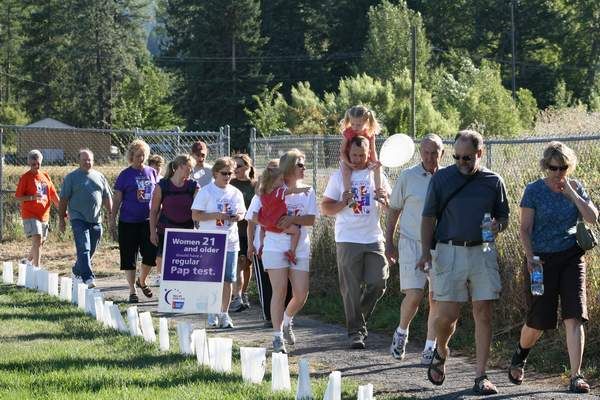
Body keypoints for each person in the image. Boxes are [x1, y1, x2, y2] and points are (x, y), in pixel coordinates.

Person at [417, 130, 509, 395]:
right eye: (456, 156)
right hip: (449, 251)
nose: (461, 162)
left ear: (479, 153)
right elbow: (428, 218)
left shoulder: (493, 181)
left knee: (484, 312)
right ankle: (442, 350)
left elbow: (504, 217)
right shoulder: (442, 179)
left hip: (483, 252)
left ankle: (481, 375)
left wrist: (497, 225)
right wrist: (425, 253)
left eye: (467, 158)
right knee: (447, 316)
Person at [508, 141, 598, 394]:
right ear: (545, 166)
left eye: (563, 167)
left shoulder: (576, 186)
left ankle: (576, 375)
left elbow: (593, 217)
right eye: (553, 167)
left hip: (572, 257)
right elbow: (525, 229)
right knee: (538, 320)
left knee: (575, 315)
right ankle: (520, 354)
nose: (558, 172)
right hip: (541, 260)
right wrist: (530, 257)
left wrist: (571, 193)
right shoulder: (534, 190)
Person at [321, 136, 391, 349]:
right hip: (348, 238)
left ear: (369, 152)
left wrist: (385, 199)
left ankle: (356, 319)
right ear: (348, 153)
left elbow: (391, 206)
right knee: (350, 288)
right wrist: (343, 200)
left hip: (373, 238)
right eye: (354, 155)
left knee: (379, 282)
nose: (359, 159)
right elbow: (325, 208)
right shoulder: (339, 176)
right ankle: (356, 332)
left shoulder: (377, 174)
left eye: (362, 155)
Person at [385, 134, 444, 364]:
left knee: (436, 297)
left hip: (440, 245)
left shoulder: (449, 177)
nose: (430, 157)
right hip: (411, 241)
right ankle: (401, 332)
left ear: (442, 153)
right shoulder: (407, 177)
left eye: (435, 152)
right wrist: (389, 242)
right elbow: (394, 210)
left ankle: (430, 348)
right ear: (420, 153)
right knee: (415, 294)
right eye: (426, 152)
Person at [252, 149, 317, 354]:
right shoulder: (271, 187)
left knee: (300, 294)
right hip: (274, 245)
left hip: (300, 245)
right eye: (300, 164)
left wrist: (291, 220)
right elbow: (253, 215)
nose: (304, 168)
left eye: (304, 164)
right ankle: (277, 336)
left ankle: (288, 320)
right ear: (288, 167)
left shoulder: (308, 190)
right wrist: (271, 224)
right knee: (279, 291)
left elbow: (311, 220)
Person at [191, 157, 246, 329]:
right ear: (215, 173)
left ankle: (224, 313)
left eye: (230, 173)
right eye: (224, 173)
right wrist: (216, 215)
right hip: (210, 241)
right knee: (210, 278)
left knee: (228, 279)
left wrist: (237, 217)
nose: (228, 176)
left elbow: (242, 213)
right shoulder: (206, 191)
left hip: (230, 240)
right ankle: (211, 311)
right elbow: (195, 215)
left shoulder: (235, 192)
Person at [245, 160, 293, 327]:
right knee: (266, 284)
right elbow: (251, 221)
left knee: (285, 284)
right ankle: (269, 316)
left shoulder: (284, 193)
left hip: (283, 242)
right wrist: (251, 244)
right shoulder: (259, 197)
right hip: (263, 244)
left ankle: (286, 316)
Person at [110, 139, 158, 303]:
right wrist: (112, 220)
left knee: (150, 254)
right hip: (128, 221)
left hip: (147, 221)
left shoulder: (152, 172)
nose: (141, 159)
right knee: (129, 257)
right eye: (138, 156)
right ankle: (132, 290)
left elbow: (158, 195)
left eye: (143, 155)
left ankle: (142, 280)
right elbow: (117, 200)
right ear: (131, 156)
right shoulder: (125, 175)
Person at [58, 149, 112, 288]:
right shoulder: (71, 177)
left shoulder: (99, 176)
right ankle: (88, 278)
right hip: (77, 218)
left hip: (95, 219)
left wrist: (111, 213)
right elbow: (63, 199)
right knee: (83, 247)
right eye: (84, 160)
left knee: (91, 249)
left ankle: (77, 270)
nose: (87, 162)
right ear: (79, 161)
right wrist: (61, 219)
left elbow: (106, 196)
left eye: (90, 160)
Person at [149, 155, 198, 285]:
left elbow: (200, 208)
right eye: (190, 168)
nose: (191, 172)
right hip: (165, 230)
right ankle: (160, 280)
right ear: (180, 167)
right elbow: (153, 211)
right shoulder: (162, 185)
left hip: (187, 231)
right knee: (162, 261)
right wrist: (152, 232)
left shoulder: (193, 186)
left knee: (182, 267)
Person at [14, 149, 60, 268]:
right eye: (33, 164)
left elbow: (54, 195)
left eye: (38, 163)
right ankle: (37, 268)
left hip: (44, 214)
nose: (36, 166)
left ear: (41, 162)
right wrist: (32, 197)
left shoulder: (45, 176)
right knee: (38, 238)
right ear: (29, 163)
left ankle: (27, 262)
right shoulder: (25, 177)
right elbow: (18, 197)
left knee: (40, 242)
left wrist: (63, 210)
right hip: (30, 214)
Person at [257, 165, 310, 264]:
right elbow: (292, 190)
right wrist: (303, 190)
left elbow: (258, 189)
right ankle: (292, 251)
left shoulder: (262, 192)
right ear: (273, 181)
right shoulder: (279, 192)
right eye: (281, 180)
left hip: (266, 222)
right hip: (278, 222)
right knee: (296, 231)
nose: (283, 182)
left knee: (262, 230)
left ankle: (262, 245)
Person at [339, 105, 384, 204]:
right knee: (345, 171)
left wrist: (375, 162)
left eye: (359, 124)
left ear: (366, 121)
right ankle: (349, 196)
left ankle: (378, 193)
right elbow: (342, 151)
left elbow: (372, 150)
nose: (355, 127)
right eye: (352, 123)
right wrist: (349, 163)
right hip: (348, 160)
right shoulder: (348, 132)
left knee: (378, 168)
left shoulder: (370, 133)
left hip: (365, 160)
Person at [229, 154, 257, 312]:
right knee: (239, 263)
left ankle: (243, 292)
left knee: (247, 264)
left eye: (238, 166)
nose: (235, 170)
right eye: (234, 167)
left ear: (247, 166)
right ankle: (236, 296)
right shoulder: (231, 184)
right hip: (235, 231)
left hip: (250, 230)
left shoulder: (255, 185)